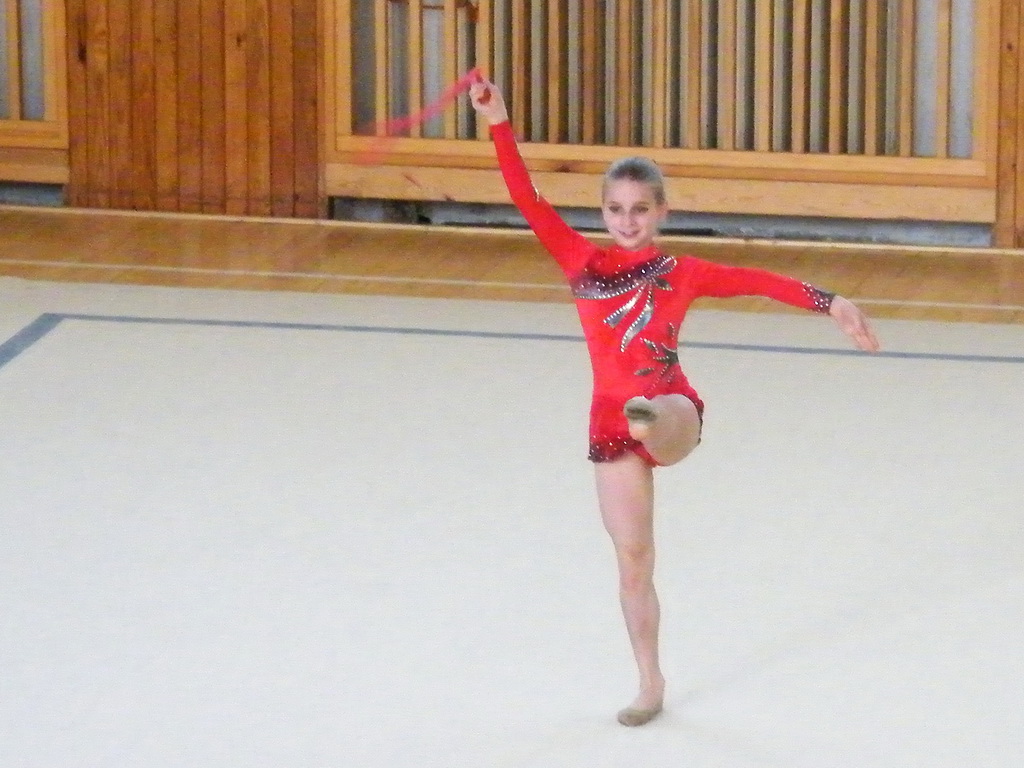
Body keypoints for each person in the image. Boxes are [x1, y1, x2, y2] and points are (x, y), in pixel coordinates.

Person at [468, 78, 880, 727]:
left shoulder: (679, 273)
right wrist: (498, 121)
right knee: (634, 561)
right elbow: (527, 197)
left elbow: (755, 280)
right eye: (615, 209)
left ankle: (651, 415)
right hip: (609, 421)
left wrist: (830, 302)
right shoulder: (581, 263)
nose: (627, 220)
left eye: (640, 209)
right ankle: (649, 682)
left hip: (672, 407)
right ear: (603, 213)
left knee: (660, 412)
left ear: (661, 212)